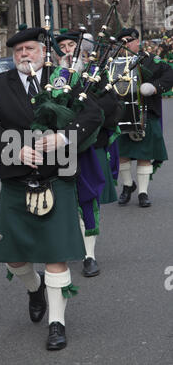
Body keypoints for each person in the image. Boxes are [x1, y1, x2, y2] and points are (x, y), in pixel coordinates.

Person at [0, 27, 105, 350]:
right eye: (19, 50)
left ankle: (57, 323)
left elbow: (93, 113)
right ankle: (34, 288)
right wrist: (15, 150)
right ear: (13, 55)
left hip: (57, 177)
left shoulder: (63, 78)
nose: (24, 55)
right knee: (15, 260)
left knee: (56, 256)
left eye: (30, 48)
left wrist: (63, 138)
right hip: (16, 180)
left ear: (43, 51)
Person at [54, 30, 122, 277]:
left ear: (84, 48)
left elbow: (111, 106)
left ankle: (89, 255)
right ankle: (62, 247)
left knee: (87, 199)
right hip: (56, 150)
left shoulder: (96, 74)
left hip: (87, 147)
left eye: (73, 44)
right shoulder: (52, 76)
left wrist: (83, 109)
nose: (68, 49)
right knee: (58, 201)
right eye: (63, 45)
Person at [116, 28, 173, 207]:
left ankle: (142, 192)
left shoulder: (150, 60)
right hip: (120, 114)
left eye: (129, 41)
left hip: (145, 113)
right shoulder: (113, 63)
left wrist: (154, 87)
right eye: (122, 41)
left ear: (137, 42)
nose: (126, 44)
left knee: (144, 154)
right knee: (122, 154)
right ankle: (127, 186)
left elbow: (170, 74)